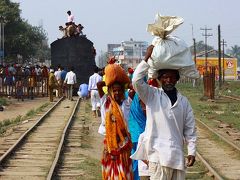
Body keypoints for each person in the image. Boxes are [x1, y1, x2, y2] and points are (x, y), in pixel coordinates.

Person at [131, 45, 197, 180]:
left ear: (177, 79)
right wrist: (146, 58)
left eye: (172, 77)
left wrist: (192, 151)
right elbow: (136, 81)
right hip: (157, 156)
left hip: (177, 157)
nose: (169, 80)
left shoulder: (184, 102)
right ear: (159, 79)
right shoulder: (152, 95)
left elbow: (190, 129)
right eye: (165, 77)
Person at [97, 64, 134, 180]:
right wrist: (110, 81)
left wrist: (123, 82)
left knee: (124, 170)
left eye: (119, 90)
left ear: (123, 91)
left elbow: (134, 87)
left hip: (124, 143)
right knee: (110, 172)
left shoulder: (127, 103)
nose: (117, 93)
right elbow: (99, 84)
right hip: (109, 142)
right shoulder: (105, 101)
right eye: (114, 90)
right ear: (110, 91)